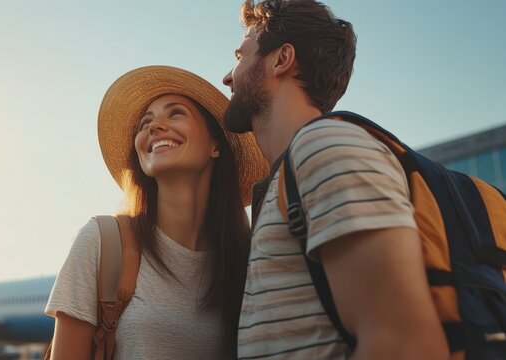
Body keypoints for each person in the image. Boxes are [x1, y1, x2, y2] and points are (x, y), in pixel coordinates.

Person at [222, 1, 449, 359]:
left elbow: (405, 345)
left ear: (282, 59)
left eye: (240, 54)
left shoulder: (325, 148)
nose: (228, 76)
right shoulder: (291, 175)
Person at [44, 65, 268, 359]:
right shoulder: (103, 242)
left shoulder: (250, 260)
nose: (154, 126)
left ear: (215, 145)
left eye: (175, 113)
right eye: (144, 123)